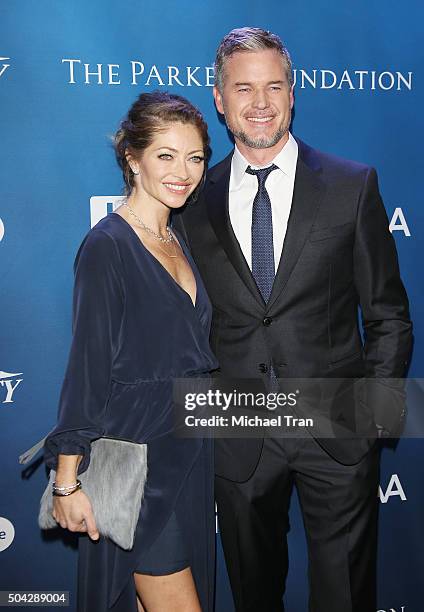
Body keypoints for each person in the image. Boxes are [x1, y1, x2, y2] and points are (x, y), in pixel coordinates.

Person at [173, 27, 413, 612]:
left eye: (274, 86)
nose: (260, 103)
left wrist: (375, 413)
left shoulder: (353, 186)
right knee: (254, 595)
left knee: (346, 595)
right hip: (236, 432)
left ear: (293, 93)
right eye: (244, 88)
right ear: (219, 97)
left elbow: (388, 312)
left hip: (336, 426)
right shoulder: (190, 200)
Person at [43, 91, 218, 612]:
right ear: (132, 158)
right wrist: (68, 482)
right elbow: (88, 369)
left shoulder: (176, 236)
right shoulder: (108, 246)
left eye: (194, 157)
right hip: (136, 458)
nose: (182, 171)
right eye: (165, 155)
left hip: (188, 450)